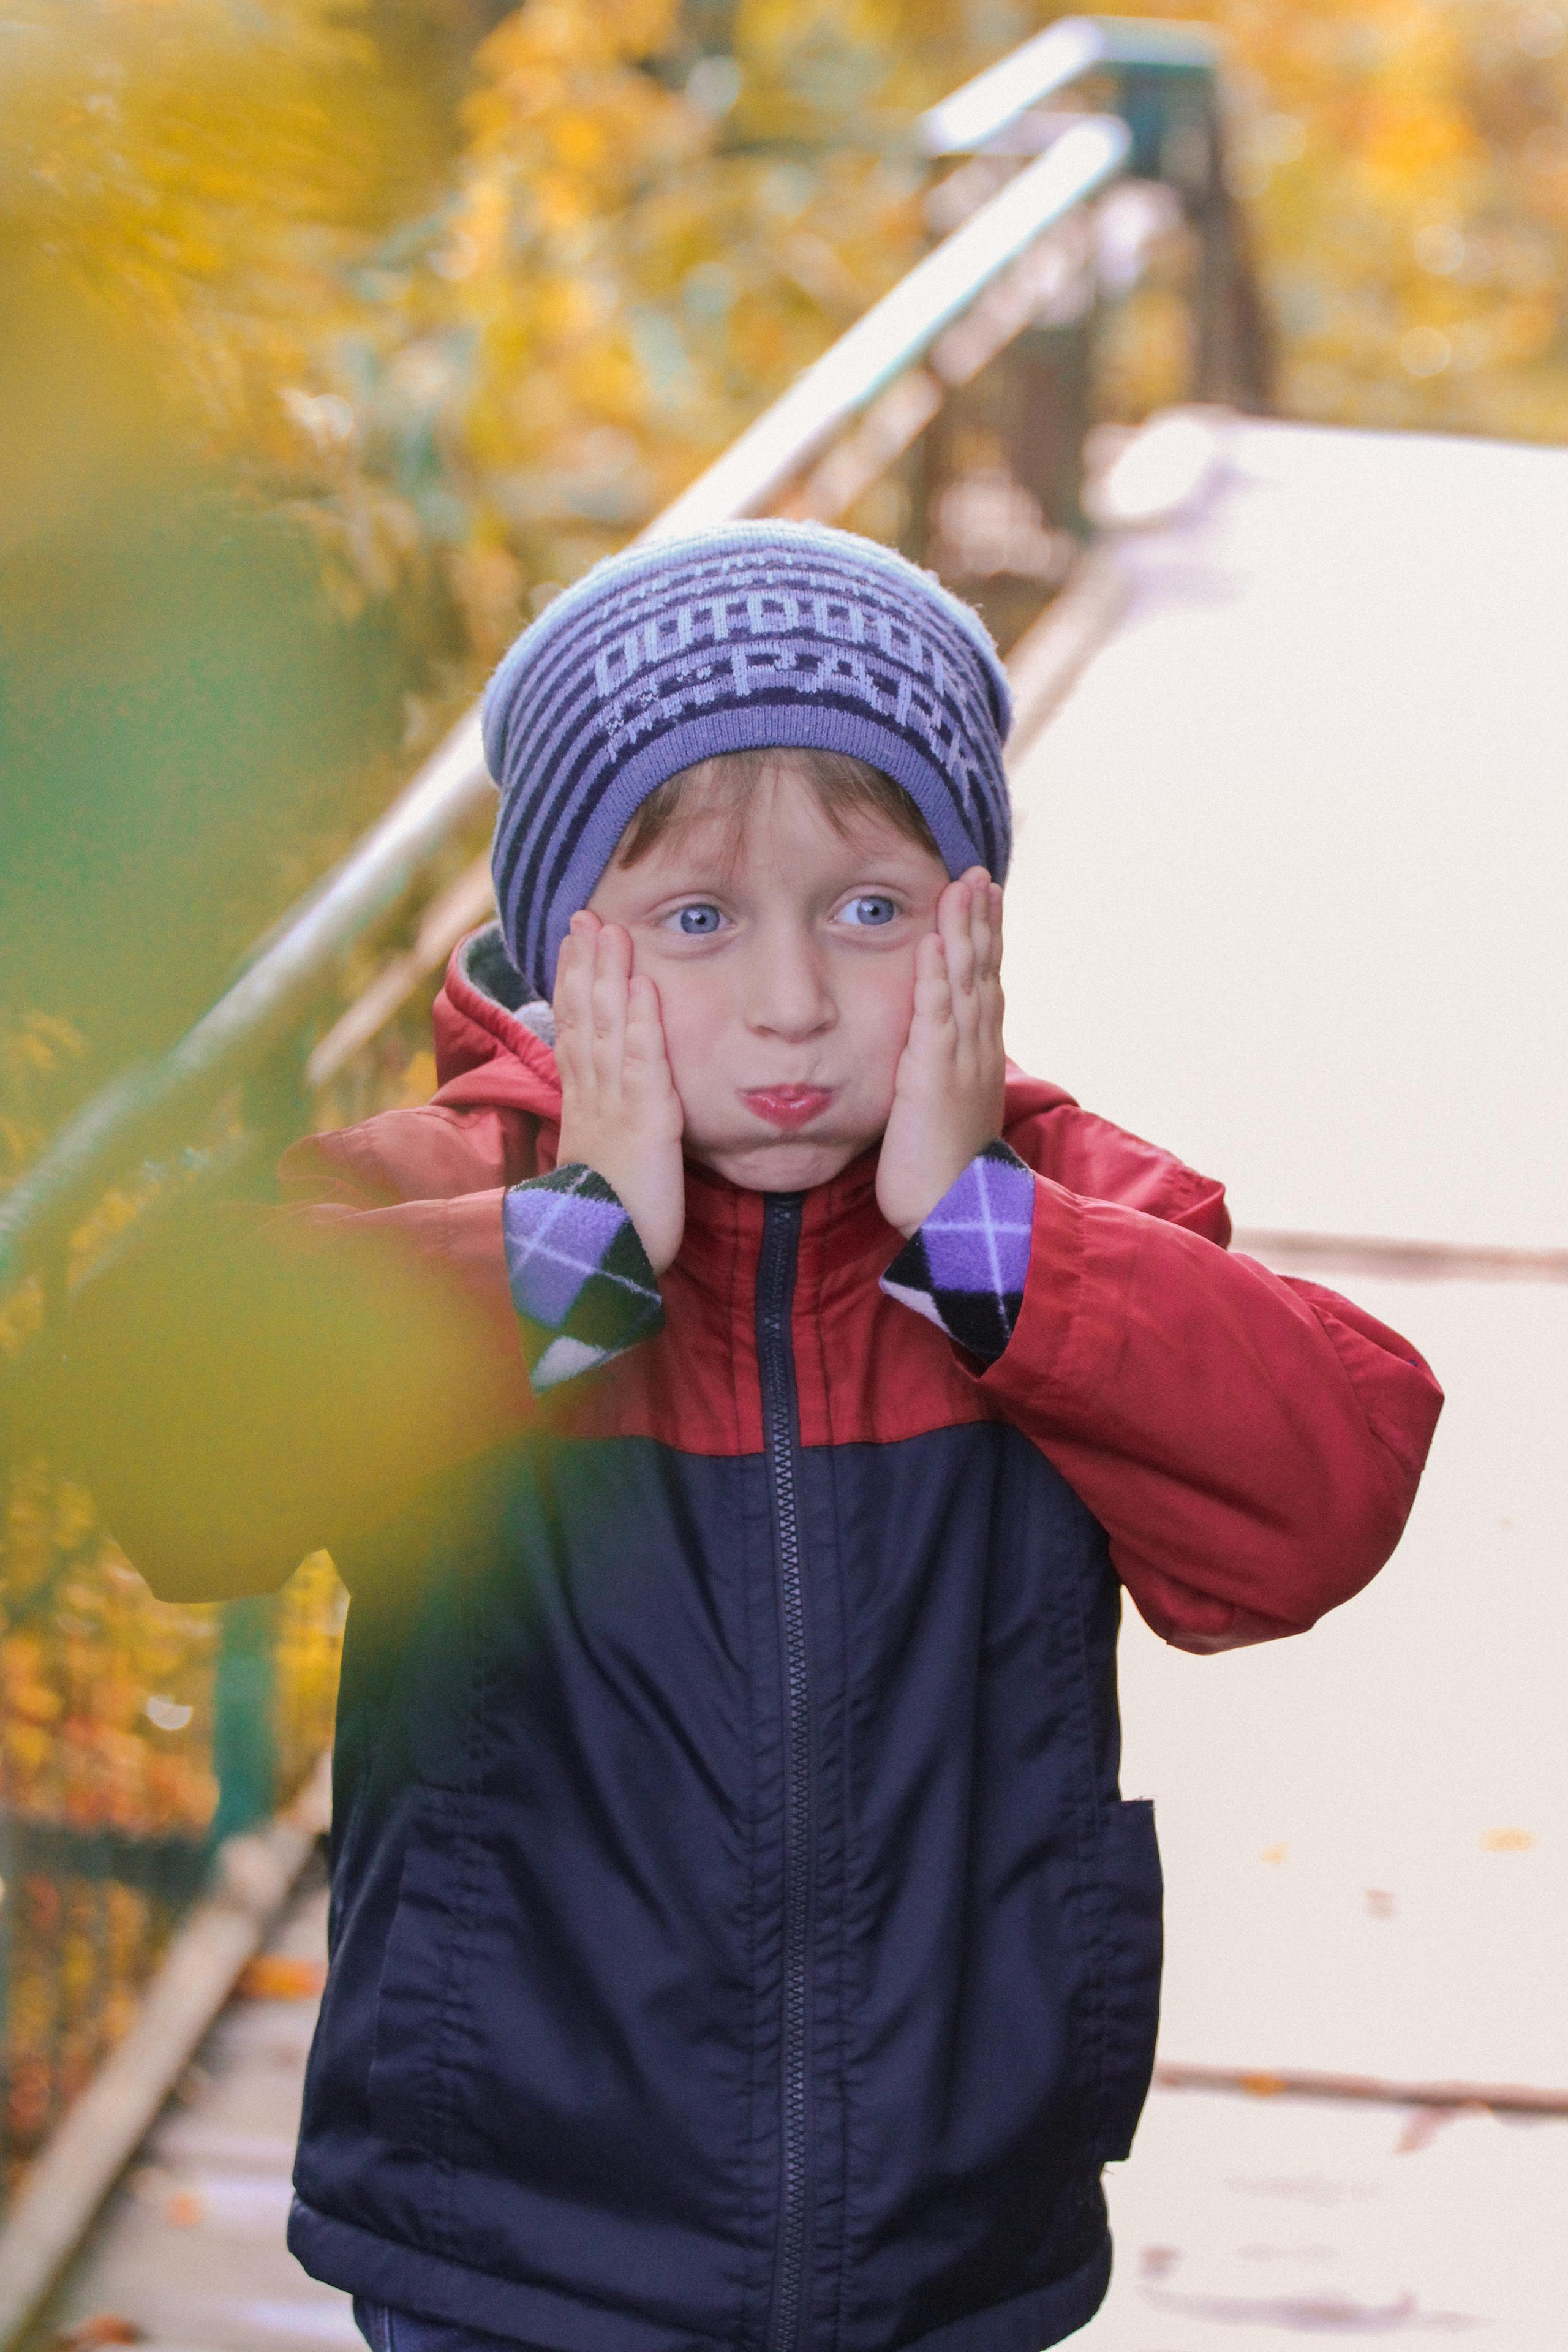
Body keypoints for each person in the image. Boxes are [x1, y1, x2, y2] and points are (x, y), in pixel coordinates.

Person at [54, 522, 1442, 2352]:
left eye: (867, 910)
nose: (789, 1000)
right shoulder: (451, 1198)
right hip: (510, 2237)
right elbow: (181, 1463)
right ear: (564, 952)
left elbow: (1320, 1497)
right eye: (697, 920)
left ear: (972, 922)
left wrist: (985, 1244)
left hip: (949, 2250)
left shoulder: (1052, 1223)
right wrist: (572, 1255)